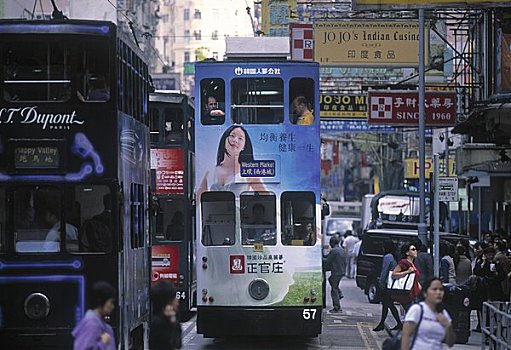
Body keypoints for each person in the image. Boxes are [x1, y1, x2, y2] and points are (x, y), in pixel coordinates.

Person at [197, 125, 266, 197]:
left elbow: (267, 197)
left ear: (244, 147)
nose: (235, 140)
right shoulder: (210, 172)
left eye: (240, 138)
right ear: (224, 140)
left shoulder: (249, 172)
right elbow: (198, 200)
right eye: (232, 136)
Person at [401, 277, 455, 350]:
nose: (438, 293)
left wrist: (448, 326)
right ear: (425, 293)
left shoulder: (443, 313)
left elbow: (450, 343)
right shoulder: (417, 310)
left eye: (441, 290)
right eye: (434, 289)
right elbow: (406, 335)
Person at [72, 281, 116, 350]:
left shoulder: (100, 325)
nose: (112, 306)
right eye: (111, 302)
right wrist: (103, 343)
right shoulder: (92, 325)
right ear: (101, 301)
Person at [373, 240, 402, 332]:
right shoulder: (393, 256)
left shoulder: (388, 257)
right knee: (386, 304)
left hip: (387, 284)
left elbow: (384, 271)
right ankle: (382, 323)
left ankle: (398, 323)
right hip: (391, 283)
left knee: (388, 304)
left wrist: (381, 283)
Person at [150, 281, 182, 350]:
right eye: (174, 298)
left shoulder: (172, 318)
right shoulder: (159, 323)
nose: (177, 300)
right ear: (168, 300)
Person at [391, 243, 421, 312]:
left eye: (416, 249)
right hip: (407, 295)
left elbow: (415, 279)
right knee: (412, 316)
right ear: (407, 252)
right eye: (413, 249)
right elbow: (394, 274)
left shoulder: (413, 264)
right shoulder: (404, 262)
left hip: (414, 295)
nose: (415, 251)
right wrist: (407, 271)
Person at [323, 236, 346, 313]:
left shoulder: (334, 251)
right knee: (331, 280)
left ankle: (337, 307)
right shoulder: (341, 250)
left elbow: (328, 260)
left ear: (332, 243)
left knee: (334, 289)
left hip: (336, 271)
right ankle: (340, 293)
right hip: (341, 271)